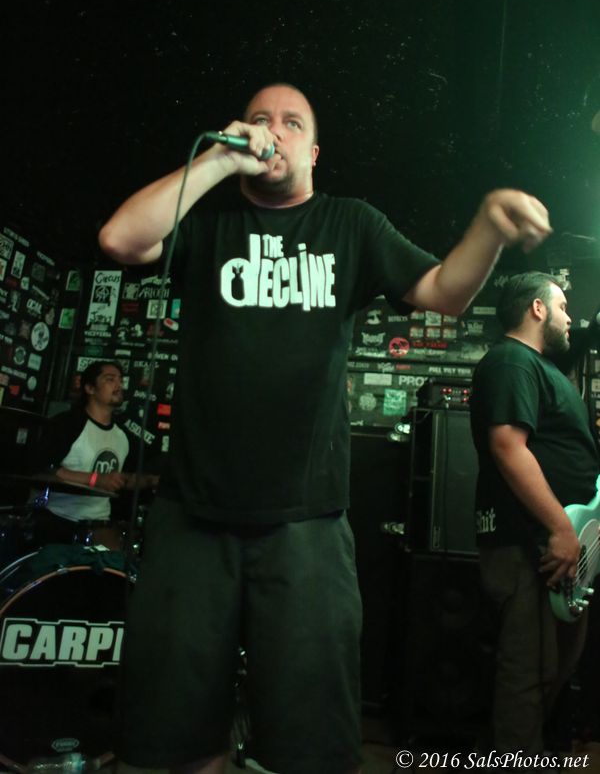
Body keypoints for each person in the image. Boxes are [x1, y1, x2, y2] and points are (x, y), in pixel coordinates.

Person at [99, 82, 552, 774]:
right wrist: (220, 160)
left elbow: (443, 294)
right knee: (180, 743)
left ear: (313, 152)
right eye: (259, 119)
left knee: (312, 749)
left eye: (292, 123)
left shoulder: (350, 224)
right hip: (192, 517)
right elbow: (120, 240)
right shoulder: (211, 224)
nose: (272, 130)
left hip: (306, 525)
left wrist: (488, 227)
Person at [470, 272, 599, 753]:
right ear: (537, 309)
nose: (569, 317)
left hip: (558, 544)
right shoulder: (511, 361)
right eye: (562, 306)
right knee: (527, 673)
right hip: (530, 544)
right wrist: (561, 528)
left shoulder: (540, 368)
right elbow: (508, 446)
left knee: (553, 667)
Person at [32, 360, 130, 549]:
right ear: (90, 388)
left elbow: (127, 479)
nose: (119, 385)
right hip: (59, 521)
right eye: (110, 379)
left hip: (101, 526)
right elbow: (42, 469)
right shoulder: (66, 425)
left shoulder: (123, 437)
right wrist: (95, 479)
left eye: (121, 380)